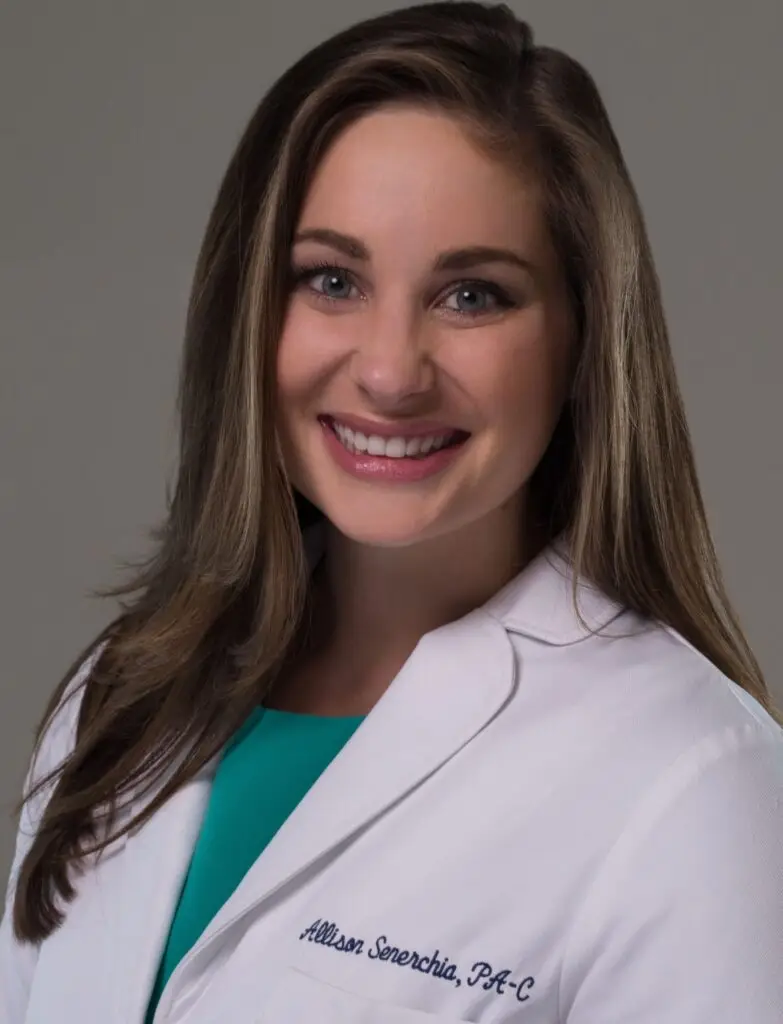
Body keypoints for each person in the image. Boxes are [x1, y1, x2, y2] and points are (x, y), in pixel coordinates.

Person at [2, 2, 782, 1021]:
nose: (387, 371)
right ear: (252, 310)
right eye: (332, 279)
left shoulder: (697, 790)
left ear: (584, 337)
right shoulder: (126, 694)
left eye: (473, 296)